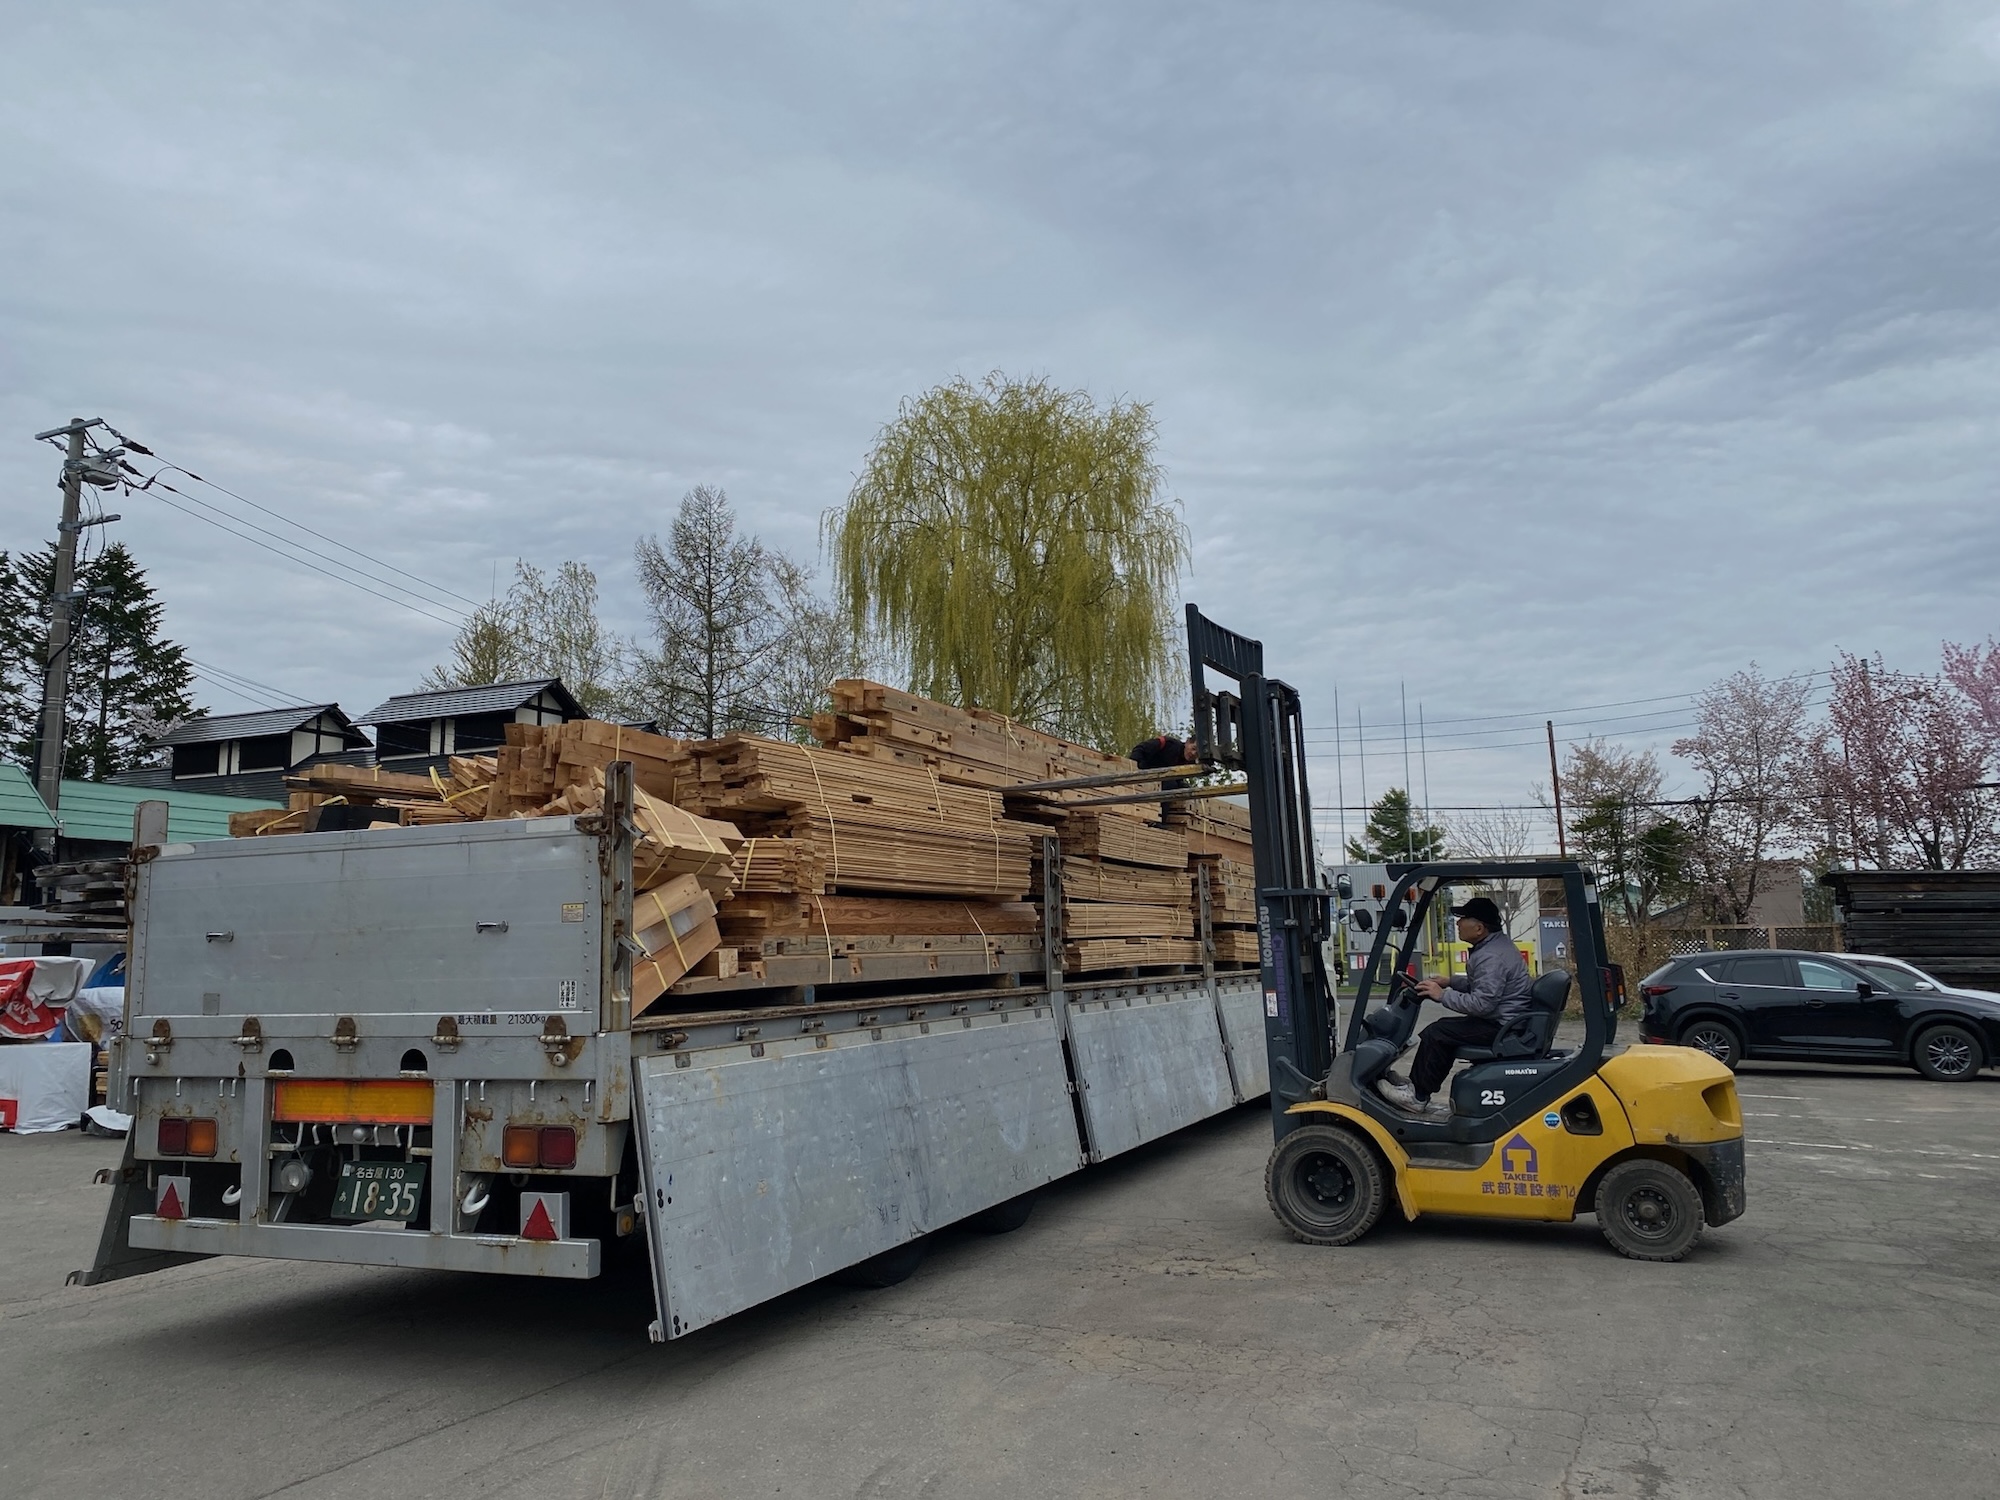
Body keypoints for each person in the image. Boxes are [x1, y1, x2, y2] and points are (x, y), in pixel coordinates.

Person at [1377, 895, 1530, 1121]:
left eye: (1463, 919)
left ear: (1479, 928)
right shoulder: (1495, 946)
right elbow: (1482, 984)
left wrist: (1442, 995)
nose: (1457, 923)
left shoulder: (1490, 956)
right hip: (1505, 1019)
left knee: (1438, 1032)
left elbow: (1482, 1003)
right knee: (1445, 1031)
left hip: (1501, 1025)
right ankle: (1418, 1085)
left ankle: (1417, 1096)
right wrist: (1450, 982)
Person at [1129, 734, 1196, 771]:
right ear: (1187, 742)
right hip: (1145, 770)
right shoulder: (1167, 743)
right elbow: (1139, 749)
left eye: (1197, 754)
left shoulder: (1190, 763)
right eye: (1193, 748)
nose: (1193, 753)